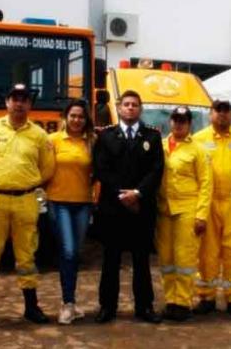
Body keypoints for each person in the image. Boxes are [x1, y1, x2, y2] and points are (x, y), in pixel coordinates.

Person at [0, 84, 55, 326]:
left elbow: (48, 168)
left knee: (27, 256)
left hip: (26, 200)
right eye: (14, 99)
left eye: (24, 99)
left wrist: (31, 183)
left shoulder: (39, 135)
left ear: (30, 104)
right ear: (6, 102)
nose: (19, 103)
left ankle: (31, 307)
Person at [93, 90, 165, 324]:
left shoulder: (152, 138)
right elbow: (101, 169)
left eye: (135, 104)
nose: (131, 108)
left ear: (140, 109)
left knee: (141, 261)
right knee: (111, 260)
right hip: (113, 208)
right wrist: (122, 195)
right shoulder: (106, 137)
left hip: (141, 209)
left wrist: (138, 193)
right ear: (119, 108)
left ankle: (144, 307)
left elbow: (156, 170)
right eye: (127, 104)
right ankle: (107, 307)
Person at [192, 99, 231, 318]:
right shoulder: (198, 139)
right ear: (210, 114)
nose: (222, 115)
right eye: (218, 111)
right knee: (207, 253)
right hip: (208, 203)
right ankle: (206, 298)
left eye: (226, 111)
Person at [157, 106, 212, 321]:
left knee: (185, 260)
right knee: (167, 259)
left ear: (189, 124)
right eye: (176, 119)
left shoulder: (198, 150)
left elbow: (207, 183)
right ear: (170, 121)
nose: (179, 124)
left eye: (184, 120)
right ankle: (171, 301)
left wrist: (201, 215)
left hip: (188, 210)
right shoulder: (160, 146)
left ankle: (183, 303)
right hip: (164, 210)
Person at [46, 99, 95, 324]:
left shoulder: (92, 142)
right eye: (73, 116)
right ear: (65, 117)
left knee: (75, 254)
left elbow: (99, 171)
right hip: (59, 203)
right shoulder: (52, 140)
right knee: (68, 252)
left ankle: (72, 302)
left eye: (81, 117)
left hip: (83, 204)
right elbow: (43, 168)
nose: (77, 120)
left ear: (86, 120)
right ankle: (67, 304)